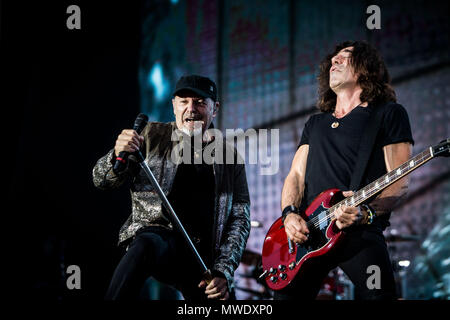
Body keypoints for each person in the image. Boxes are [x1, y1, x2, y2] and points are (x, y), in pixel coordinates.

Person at [93, 75, 251, 300]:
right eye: (184, 101)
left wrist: (223, 271)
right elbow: (101, 180)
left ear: (214, 108)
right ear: (174, 106)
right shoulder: (150, 136)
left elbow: (240, 218)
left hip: (203, 259)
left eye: (199, 102)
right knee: (146, 244)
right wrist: (116, 157)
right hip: (161, 241)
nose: (191, 109)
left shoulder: (230, 158)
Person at [278, 40, 414, 300]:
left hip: (358, 229)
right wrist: (288, 214)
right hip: (309, 232)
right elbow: (295, 176)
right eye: (333, 59)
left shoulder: (388, 114)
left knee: (379, 296)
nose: (334, 62)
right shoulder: (315, 123)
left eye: (345, 57)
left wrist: (366, 213)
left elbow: (399, 180)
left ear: (366, 69)